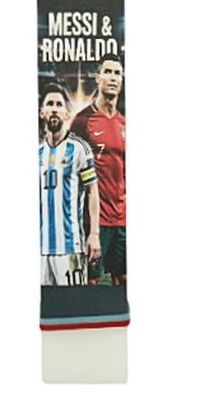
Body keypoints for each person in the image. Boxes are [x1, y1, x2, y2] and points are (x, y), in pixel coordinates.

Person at [71, 54, 126, 285]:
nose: (113, 77)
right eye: (108, 72)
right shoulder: (82, 121)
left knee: (123, 280)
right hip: (94, 221)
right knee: (90, 281)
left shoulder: (124, 123)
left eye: (117, 73)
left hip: (122, 219)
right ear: (97, 77)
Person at [39, 83, 101, 286]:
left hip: (70, 247)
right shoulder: (37, 153)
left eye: (59, 105)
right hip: (40, 249)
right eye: (50, 104)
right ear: (42, 112)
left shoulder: (80, 149)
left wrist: (94, 234)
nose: (54, 109)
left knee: (73, 301)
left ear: (66, 113)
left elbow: (92, 190)